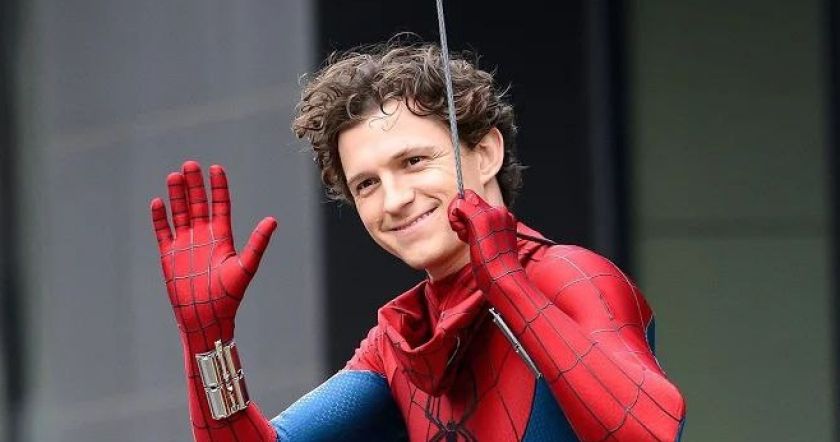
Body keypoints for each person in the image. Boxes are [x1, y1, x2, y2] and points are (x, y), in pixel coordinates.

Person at [149, 39, 686, 441]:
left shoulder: (569, 274)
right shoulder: (399, 341)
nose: (394, 199)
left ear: (486, 154)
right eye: (366, 184)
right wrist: (208, 342)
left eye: (413, 162)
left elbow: (652, 431)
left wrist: (506, 280)